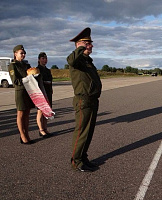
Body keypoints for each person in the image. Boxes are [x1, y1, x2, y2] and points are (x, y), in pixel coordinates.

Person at [67, 27, 102, 172]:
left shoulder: (88, 61)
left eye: (90, 43)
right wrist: (80, 48)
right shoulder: (77, 60)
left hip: (92, 100)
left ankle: (83, 157)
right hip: (83, 100)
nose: (91, 45)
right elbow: (71, 60)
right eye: (88, 43)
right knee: (81, 131)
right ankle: (76, 160)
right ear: (80, 44)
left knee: (89, 132)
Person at [9, 45, 35, 144]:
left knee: (27, 113)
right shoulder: (13, 65)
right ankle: (22, 135)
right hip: (20, 91)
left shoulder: (26, 65)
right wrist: (27, 79)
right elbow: (15, 81)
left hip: (28, 91)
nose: (23, 55)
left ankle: (27, 133)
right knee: (20, 113)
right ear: (15, 54)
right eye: (21, 53)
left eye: (24, 53)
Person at [36, 52, 53, 137]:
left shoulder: (47, 70)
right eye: (43, 58)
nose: (45, 60)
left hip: (48, 92)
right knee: (40, 112)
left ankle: (45, 128)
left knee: (46, 112)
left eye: (46, 58)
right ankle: (41, 129)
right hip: (40, 93)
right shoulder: (37, 70)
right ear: (39, 60)